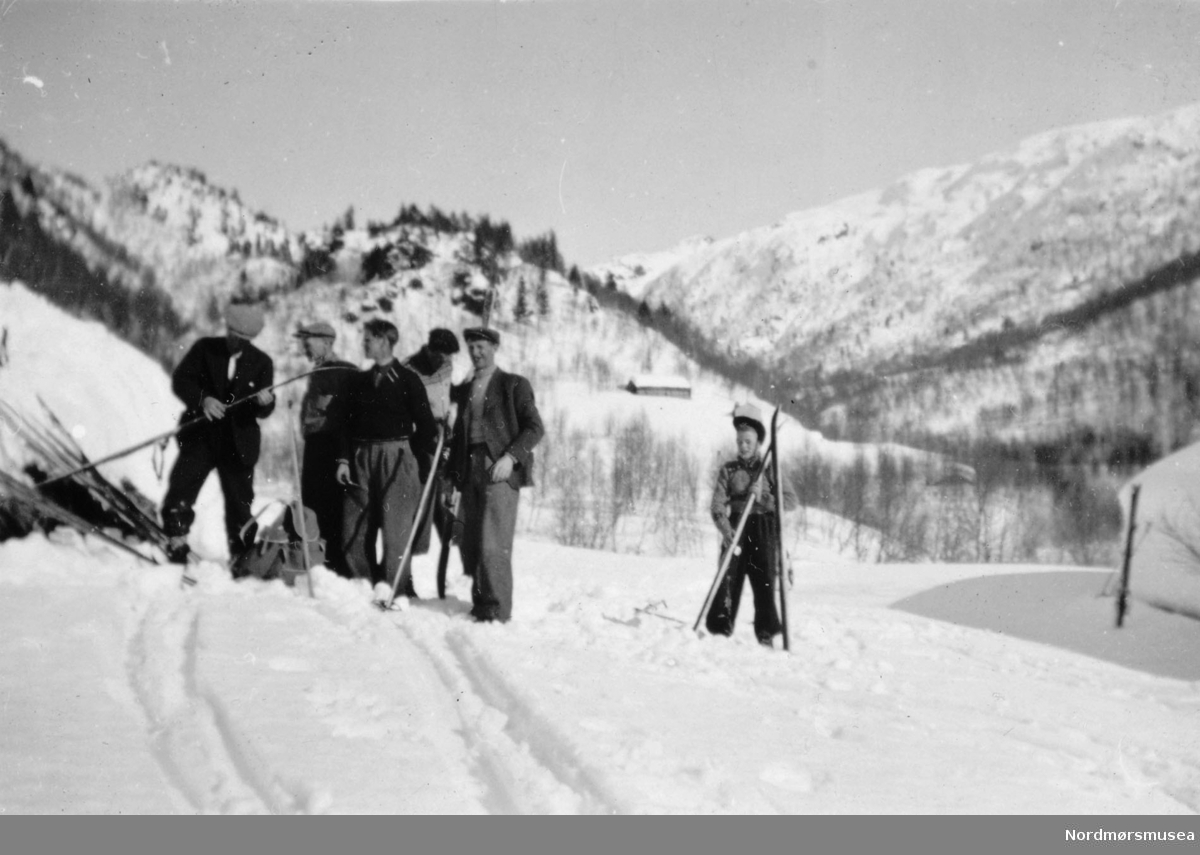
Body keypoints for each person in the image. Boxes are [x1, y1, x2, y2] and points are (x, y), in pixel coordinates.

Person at [161, 302, 275, 565]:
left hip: (239, 445)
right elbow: (181, 380)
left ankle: (242, 556)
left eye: (246, 339)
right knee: (182, 487)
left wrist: (264, 402)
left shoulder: (262, 363)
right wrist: (204, 400)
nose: (239, 342)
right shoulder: (204, 349)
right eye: (235, 336)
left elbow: (266, 410)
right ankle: (175, 538)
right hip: (201, 437)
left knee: (240, 503)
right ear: (227, 328)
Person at [335, 319, 438, 599]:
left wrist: (405, 453)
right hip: (359, 459)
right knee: (353, 531)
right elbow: (345, 424)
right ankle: (367, 585)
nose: (364, 343)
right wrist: (344, 460)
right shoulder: (358, 381)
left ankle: (394, 590)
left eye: (368, 339)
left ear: (384, 340)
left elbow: (427, 427)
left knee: (396, 533)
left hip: (398, 458)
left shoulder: (408, 380)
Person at [447, 327, 544, 623]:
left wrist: (511, 457)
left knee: (493, 543)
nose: (476, 353)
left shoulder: (513, 384)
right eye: (472, 347)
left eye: (482, 347)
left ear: (495, 348)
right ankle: (481, 606)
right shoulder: (465, 388)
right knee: (472, 541)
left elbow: (534, 428)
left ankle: (498, 612)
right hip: (469, 467)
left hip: (499, 467)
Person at [705, 403, 797, 647]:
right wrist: (726, 530)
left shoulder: (769, 468)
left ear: (757, 442)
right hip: (735, 528)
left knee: (764, 580)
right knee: (728, 577)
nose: (743, 446)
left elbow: (790, 501)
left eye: (748, 441)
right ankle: (719, 630)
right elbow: (716, 506)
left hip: (763, 529)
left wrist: (765, 497)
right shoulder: (729, 470)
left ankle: (766, 632)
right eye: (739, 441)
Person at [295, 321, 357, 577]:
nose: (304, 346)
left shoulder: (342, 371)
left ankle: (334, 562)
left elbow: (346, 414)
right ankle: (318, 558)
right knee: (313, 502)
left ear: (327, 343)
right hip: (315, 444)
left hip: (331, 444)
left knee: (330, 504)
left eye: (309, 341)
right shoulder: (318, 370)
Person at [402, 328, 460, 562]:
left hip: (445, 432)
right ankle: (411, 557)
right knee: (421, 497)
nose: (447, 361)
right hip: (421, 437)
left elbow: (446, 394)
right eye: (443, 356)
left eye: (450, 358)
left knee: (447, 495)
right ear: (432, 350)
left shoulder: (446, 366)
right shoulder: (409, 369)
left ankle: (452, 545)